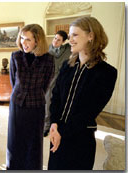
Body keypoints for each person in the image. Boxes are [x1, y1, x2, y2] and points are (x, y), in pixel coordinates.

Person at [48, 16, 117, 170]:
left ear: (90, 36)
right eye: (69, 35)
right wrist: (53, 123)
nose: (70, 39)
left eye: (75, 35)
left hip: (80, 138)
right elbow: (56, 96)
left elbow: (88, 111)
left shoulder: (107, 73)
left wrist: (62, 132)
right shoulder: (67, 66)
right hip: (57, 133)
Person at [6, 24, 55, 170]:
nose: (23, 42)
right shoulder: (15, 56)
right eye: (21, 38)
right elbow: (13, 82)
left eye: (28, 39)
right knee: (15, 141)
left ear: (37, 41)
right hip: (17, 104)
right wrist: (21, 94)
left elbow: (46, 84)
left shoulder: (48, 59)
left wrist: (34, 94)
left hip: (36, 106)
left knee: (34, 142)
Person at [44, 30, 72, 136]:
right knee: (47, 102)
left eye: (59, 39)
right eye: (55, 38)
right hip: (49, 78)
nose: (55, 41)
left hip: (62, 79)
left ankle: (55, 124)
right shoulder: (47, 49)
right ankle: (46, 126)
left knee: (59, 103)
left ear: (64, 41)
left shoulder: (68, 49)